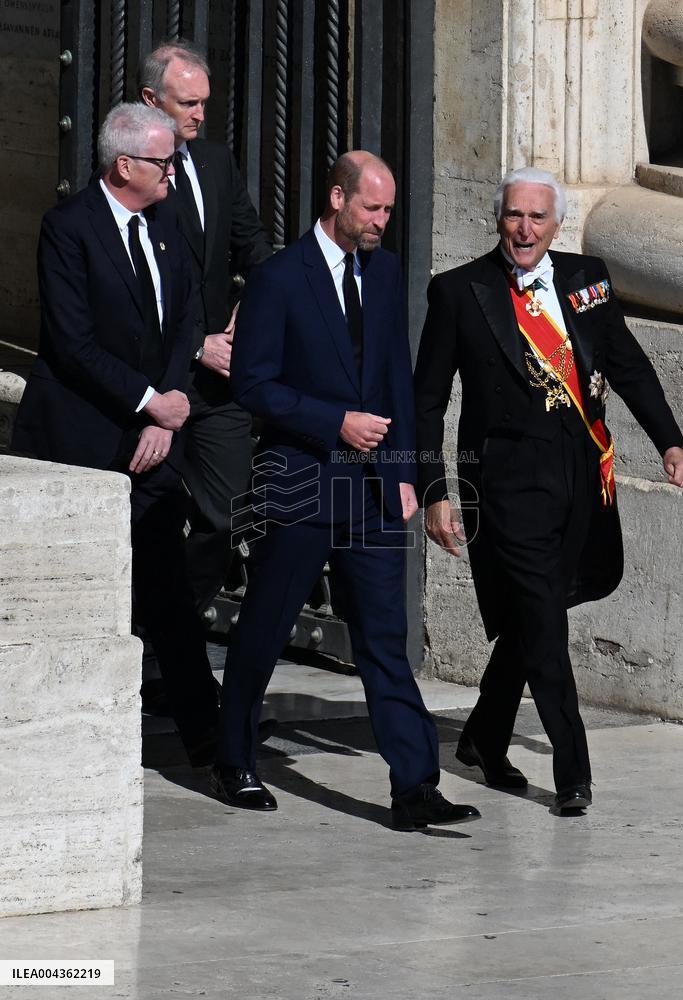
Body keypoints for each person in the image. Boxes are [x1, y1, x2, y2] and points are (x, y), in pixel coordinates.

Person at [414, 166, 683, 812]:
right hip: (508, 489)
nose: (524, 229)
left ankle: (484, 736)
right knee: (542, 622)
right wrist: (433, 492)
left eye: (537, 218)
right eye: (514, 215)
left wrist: (671, 444)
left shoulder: (586, 281)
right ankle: (574, 774)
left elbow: (627, 365)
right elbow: (425, 402)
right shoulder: (460, 293)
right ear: (497, 219)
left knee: (533, 615)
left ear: (556, 225)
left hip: (582, 479)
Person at [212, 151, 478, 831]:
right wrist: (334, 421)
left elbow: (395, 377)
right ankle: (232, 754)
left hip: (373, 494)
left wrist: (410, 476)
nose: (381, 222)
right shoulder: (278, 279)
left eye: (389, 210)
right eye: (372, 208)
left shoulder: (384, 274)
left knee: (385, 640)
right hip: (300, 482)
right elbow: (253, 385)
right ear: (337, 197)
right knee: (267, 626)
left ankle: (415, 786)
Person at [12, 102, 219, 765]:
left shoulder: (167, 225)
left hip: (152, 442)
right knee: (68, 598)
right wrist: (149, 403)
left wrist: (169, 401)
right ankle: (51, 741)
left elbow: (185, 320)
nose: (175, 173)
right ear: (124, 164)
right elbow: (71, 343)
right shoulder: (68, 229)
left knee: (168, 596)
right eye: (165, 162)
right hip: (81, 440)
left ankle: (212, 744)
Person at [139, 39, 273, 612]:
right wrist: (197, 344)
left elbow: (253, 247)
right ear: (151, 99)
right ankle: (149, 650)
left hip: (220, 384)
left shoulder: (216, 163)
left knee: (225, 517)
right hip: (158, 374)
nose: (199, 113)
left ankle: (174, 645)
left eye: (204, 103)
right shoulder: (129, 175)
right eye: (187, 103)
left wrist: (250, 310)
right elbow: (131, 284)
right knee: (152, 519)